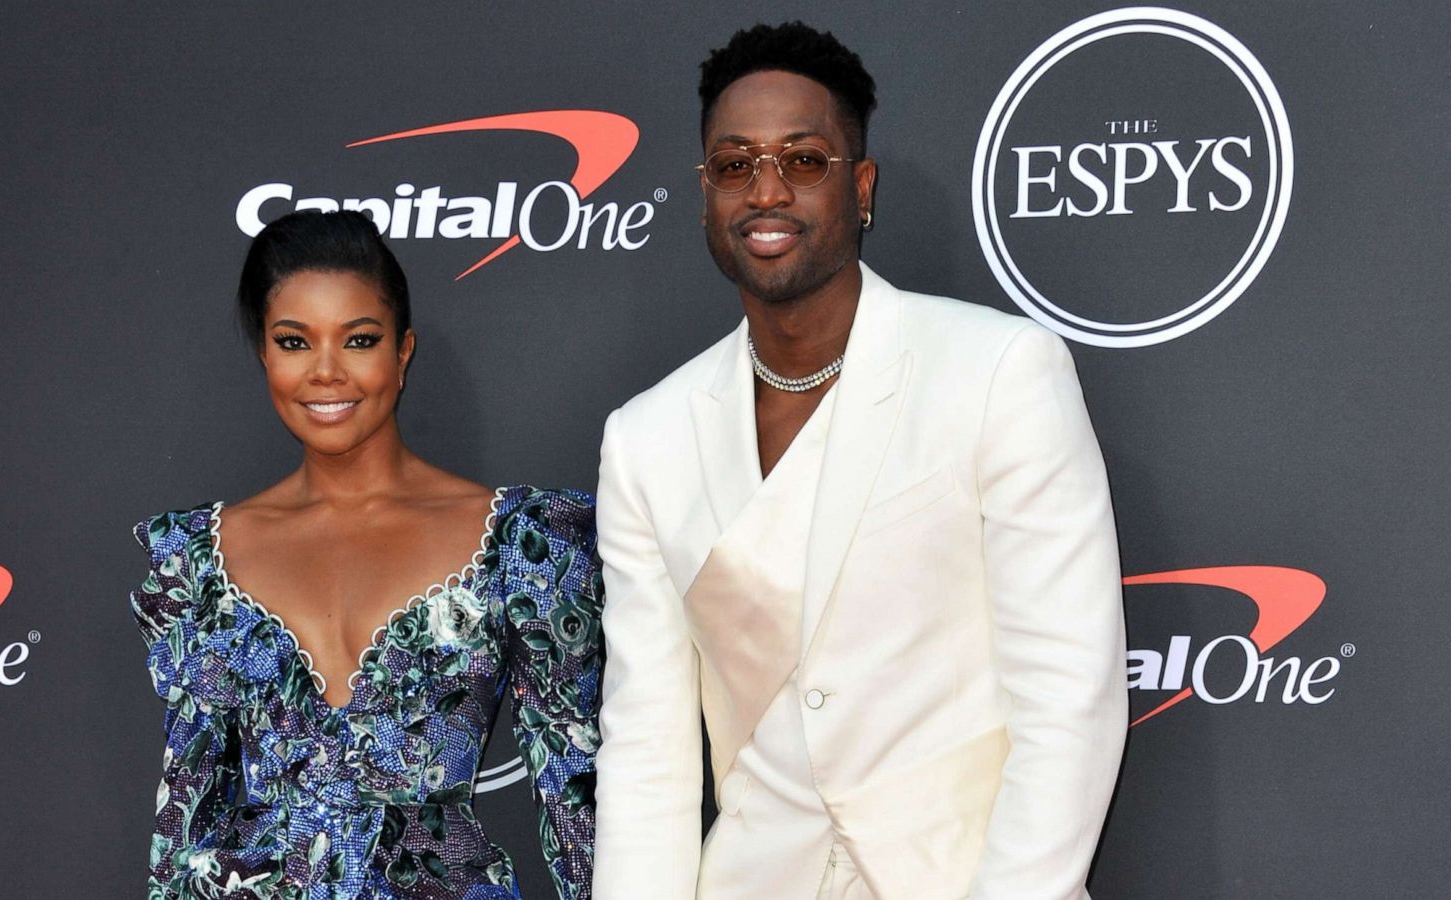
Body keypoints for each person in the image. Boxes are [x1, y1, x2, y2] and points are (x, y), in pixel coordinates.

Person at [592, 22, 1126, 900]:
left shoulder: (996, 371)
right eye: (735, 166)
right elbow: (648, 748)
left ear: (861, 185)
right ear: (705, 196)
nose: (766, 191)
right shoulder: (645, 437)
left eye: (802, 160)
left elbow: (1070, 703)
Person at [130, 210, 601, 899]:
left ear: (402, 352)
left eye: (359, 339)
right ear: (265, 353)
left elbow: (576, 806)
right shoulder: (197, 562)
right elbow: (185, 817)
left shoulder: (522, 546)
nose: (326, 372)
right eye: (294, 341)